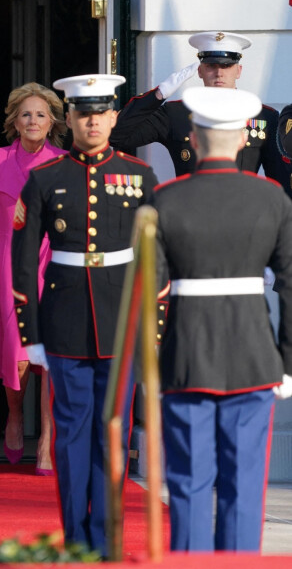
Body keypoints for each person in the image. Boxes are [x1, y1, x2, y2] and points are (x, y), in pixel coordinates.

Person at [11, 74, 158, 553]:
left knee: (112, 430)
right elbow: (21, 258)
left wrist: (152, 331)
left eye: (101, 112)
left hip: (121, 323)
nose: (92, 121)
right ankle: (77, 539)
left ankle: (107, 536)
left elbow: (159, 260)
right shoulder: (44, 179)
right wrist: (29, 333)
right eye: (83, 112)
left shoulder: (140, 176)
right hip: (65, 321)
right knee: (71, 435)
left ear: (114, 117)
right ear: (69, 118)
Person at [150, 86, 292, 552]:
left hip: (187, 353)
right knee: (245, 479)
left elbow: (148, 288)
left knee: (189, 478)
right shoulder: (272, 199)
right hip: (254, 354)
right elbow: (291, 283)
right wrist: (287, 361)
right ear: (243, 140)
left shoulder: (165, 200)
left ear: (194, 134)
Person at [0, 83, 66, 475]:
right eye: (26, 114)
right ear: (14, 121)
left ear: (52, 122)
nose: (33, 121)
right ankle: (14, 415)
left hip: (54, 264)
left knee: (51, 359)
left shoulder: (64, 160)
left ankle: (45, 440)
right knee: (18, 359)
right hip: (10, 267)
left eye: (41, 114)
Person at [110, 31, 291, 194]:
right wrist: (158, 95)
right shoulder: (175, 113)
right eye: (211, 66)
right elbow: (118, 136)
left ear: (239, 71)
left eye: (227, 66)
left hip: (244, 218)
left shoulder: (263, 117)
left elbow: (280, 179)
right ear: (200, 71)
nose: (219, 73)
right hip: (190, 217)